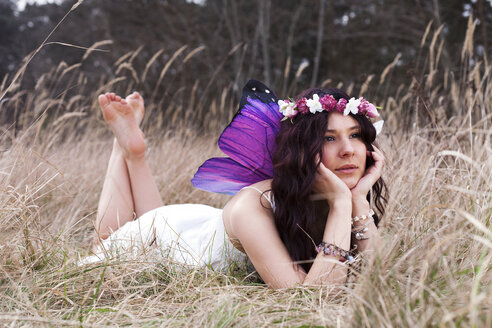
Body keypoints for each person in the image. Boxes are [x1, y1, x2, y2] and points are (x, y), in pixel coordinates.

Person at [89, 80, 387, 289]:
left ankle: (133, 154)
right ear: (302, 149)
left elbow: (376, 278)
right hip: (174, 241)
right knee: (105, 244)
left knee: (151, 220)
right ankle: (126, 149)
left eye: (356, 135)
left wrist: (358, 198)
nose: (348, 150)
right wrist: (341, 202)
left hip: (198, 224)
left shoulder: (342, 193)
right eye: (329, 138)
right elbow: (309, 298)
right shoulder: (253, 204)